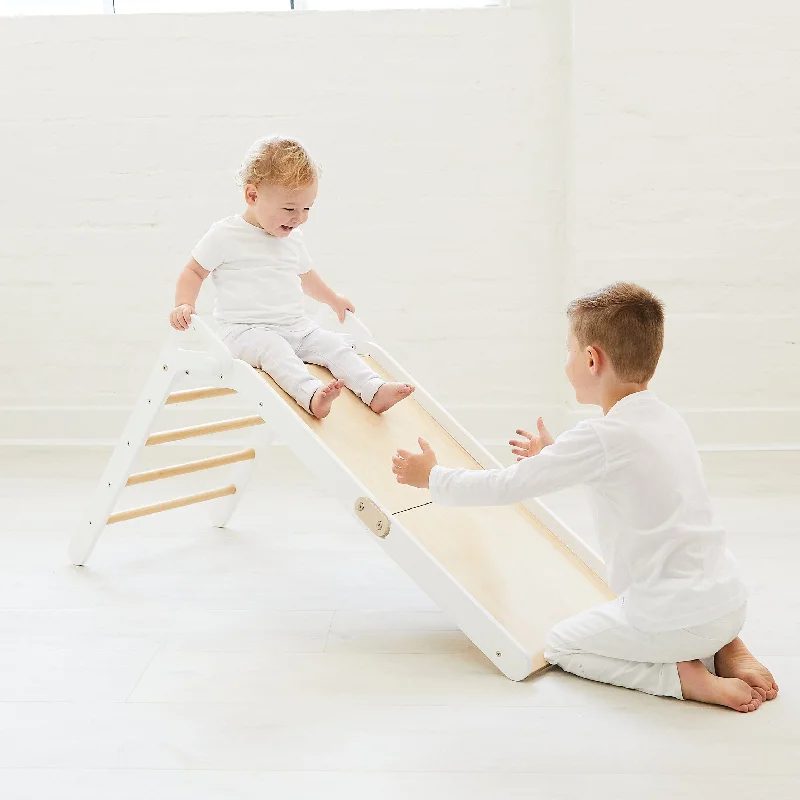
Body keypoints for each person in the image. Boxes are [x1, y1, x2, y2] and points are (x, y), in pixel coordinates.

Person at [392, 282, 778, 712]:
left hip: (674, 616)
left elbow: (505, 487)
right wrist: (553, 455)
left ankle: (685, 679)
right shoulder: (665, 419)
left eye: (569, 351)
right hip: (728, 599)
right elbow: (623, 472)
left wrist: (433, 477)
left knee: (561, 646)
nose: (567, 362)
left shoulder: (599, 437)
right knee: (689, 578)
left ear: (592, 359)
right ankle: (727, 644)